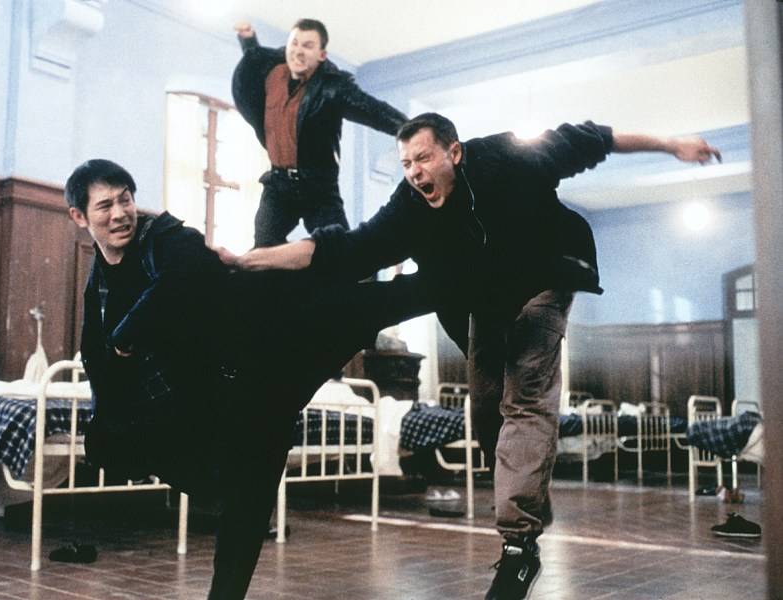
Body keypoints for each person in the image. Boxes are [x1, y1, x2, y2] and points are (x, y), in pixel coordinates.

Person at [220, 114, 722, 600]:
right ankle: (529, 495)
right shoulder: (409, 205)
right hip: (485, 298)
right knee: (485, 411)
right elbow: (345, 250)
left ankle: (519, 546)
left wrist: (672, 144)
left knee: (525, 399)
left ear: (454, 153)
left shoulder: (511, 156)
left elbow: (598, 138)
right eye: (406, 164)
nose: (415, 172)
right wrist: (251, 260)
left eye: (423, 158)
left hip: (546, 279)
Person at [65, 159, 435, 600]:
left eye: (125, 200)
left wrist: (127, 336)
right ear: (80, 217)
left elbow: (187, 272)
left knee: (369, 304)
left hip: (275, 343)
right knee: (242, 500)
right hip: (242, 394)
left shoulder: (164, 236)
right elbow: (96, 354)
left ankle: (458, 273)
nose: (120, 213)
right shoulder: (100, 282)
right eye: (105, 205)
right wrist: (104, 420)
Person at [232, 18, 407, 247]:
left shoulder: (333, 87)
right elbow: (254, 61)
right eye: (294, 43)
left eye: (307, 46)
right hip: (278, 185)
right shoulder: (270, 75)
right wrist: (248, 40)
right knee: (264, 248)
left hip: (318, 188)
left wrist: (411, 128)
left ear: (321, 55)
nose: (298, 51)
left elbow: (373, 110)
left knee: (338, 250)